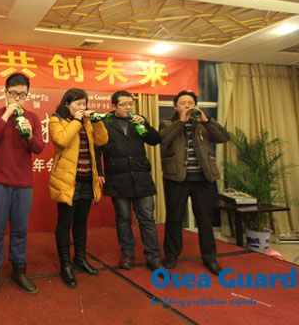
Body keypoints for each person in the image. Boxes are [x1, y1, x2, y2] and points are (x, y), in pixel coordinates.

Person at [0, 73, 44, 299]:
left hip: (23, 182)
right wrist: (7, 114)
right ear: (5, 92)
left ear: (27, 95)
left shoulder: (32, 118)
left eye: (22, 94)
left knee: (20, 229)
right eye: (13, 93)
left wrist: (28, 133)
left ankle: (19, 271)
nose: (18, 98)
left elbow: (39, 148)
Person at [159, 90, 229, 276]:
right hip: (177, 178)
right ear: (176, 106)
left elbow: (223, 137)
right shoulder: (167, 123)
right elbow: (163, 139)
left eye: (190, 103)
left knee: (205, 219)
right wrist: (181, 121)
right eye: (183, 103)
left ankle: (209, 257)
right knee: (174, 218)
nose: (187, 106)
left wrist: (206, 120)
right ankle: (172, 255)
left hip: (203, 178)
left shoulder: (204, 123)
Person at [97, 90, 163, 273]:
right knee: (124, 218)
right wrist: (99, 172)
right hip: (118, 178)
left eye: (130, 104)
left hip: (141, 177)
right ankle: (127, 254)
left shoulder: (138, 120)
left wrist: (145, 125)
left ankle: (153, 256)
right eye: (124, 104)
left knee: (147, 218)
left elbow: (155, 140)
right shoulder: (105, 122)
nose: (128, 107)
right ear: (114, 106)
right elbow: (97, 148)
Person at [48, 88, 108, 288]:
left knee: (81, 222)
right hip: (68, 181)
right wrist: (76, 120)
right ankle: (65, 264)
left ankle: (80, 259)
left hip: (87, 179)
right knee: (65, 222)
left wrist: (96, 121)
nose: (82, 107)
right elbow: (61, 141)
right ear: (67, 105)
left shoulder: (87, 122)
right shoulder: (56, 120)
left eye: (84, 103)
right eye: (78, 104)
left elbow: (102, 140)